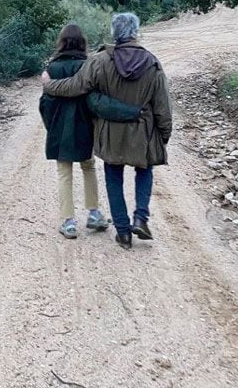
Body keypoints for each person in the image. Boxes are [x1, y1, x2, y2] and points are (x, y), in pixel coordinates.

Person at [42, 13, 172, 250]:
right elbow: (162, 105)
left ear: (114, 33)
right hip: (143, 133)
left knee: (114, 175)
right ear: (135, 32)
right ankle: (141, 217)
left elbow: (76, 86)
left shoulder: (100, 61)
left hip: (111, 132)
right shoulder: (152, 63)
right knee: (145, 170)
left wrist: (49, 86)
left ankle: (123, 232)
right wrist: (163, 134)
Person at [40, 23, 141, 240]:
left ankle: (68, 222)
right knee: (89, 167)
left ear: (61, 42)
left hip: (60, 127)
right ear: (82, 42)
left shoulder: (52, 69)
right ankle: (94, 213)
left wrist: (51, 126)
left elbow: (45, 104)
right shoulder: (89, 65)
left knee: (64, 173)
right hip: (85, 125)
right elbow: (95, 100)